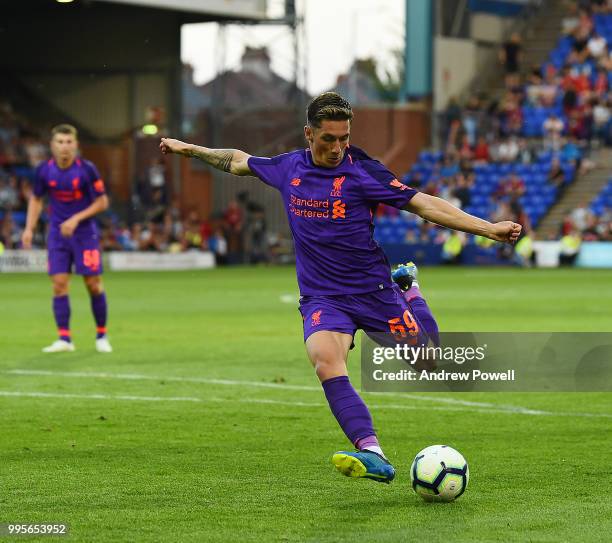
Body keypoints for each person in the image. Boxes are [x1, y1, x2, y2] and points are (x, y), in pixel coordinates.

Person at [159, 92, 521, 484]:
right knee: (325, 360)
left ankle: (410, 289)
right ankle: (372, 452)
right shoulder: (288, 168)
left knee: (427, 362)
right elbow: (237, 160)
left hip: (374, 292)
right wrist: (190, 149)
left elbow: (424, 204)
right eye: (328, 139)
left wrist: (488, 228)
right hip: (323, 296)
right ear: (308, 134)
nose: (337, 148)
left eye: (343, 138)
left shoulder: (363, 171)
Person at [21, 124, 112, 353]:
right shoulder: (44, 170)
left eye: (68, 142)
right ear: (52, 146)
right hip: (57, 235)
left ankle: (101, 335)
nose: (64, 147)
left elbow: (102, 202)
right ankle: (65, 339)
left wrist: (75, 219)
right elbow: (36, 199)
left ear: (76, 145)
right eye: (60, 142)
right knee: (59, 285)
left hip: (85, 234)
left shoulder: (87, 169)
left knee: (93, 284)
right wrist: (29, 228)